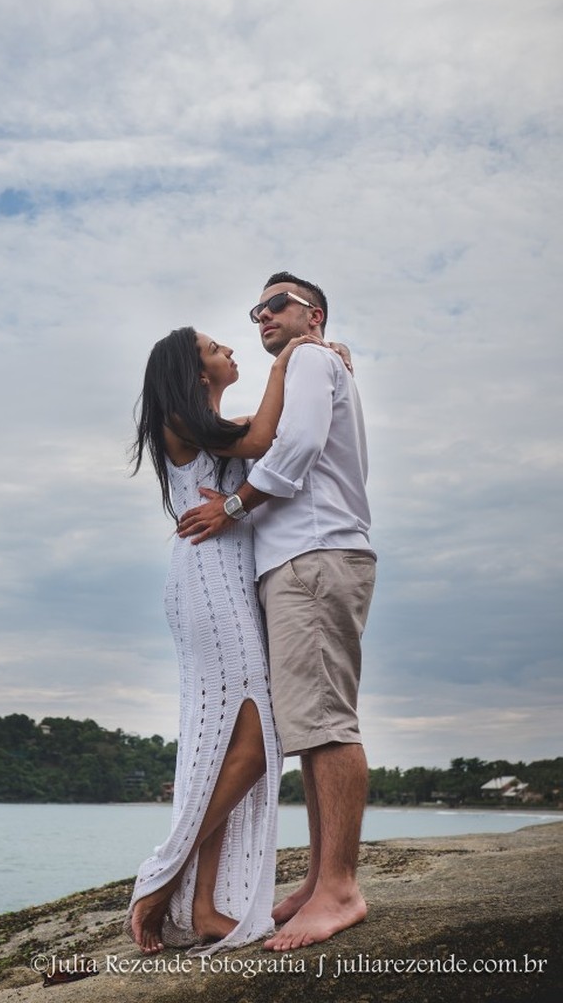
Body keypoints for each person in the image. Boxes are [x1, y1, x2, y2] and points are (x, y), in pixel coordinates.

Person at [178, 274, 376, 951]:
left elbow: (292, 452)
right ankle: (323, 877)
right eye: (255, 309)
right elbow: (262, 435)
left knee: (324, 724)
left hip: (314, 554)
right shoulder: (305, 367)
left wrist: (229, 508)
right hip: (297, 562)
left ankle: (340, 889)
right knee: (308, 724)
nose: (261, 315)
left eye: (277, 304)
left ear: (312, 315)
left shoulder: (314, 360)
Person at [126, 325, 323, 956]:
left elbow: (273, 431)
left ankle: (205, 906)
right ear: (194, 370)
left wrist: (320, 360)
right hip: (209, 592)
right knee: (257, 745)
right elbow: (265, 436)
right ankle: (164, 879)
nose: (232, 351)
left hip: (230, 590)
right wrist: (287, 358)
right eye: (216, 349)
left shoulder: (210, 427)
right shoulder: (180, 423)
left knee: (237, 746)